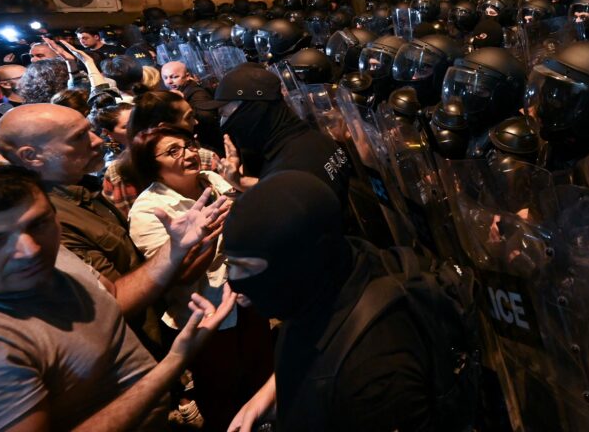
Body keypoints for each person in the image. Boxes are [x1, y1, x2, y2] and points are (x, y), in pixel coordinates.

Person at [0, 163, 235, 431]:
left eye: (38, 223)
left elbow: (112, 297)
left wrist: (175, 249)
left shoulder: (54, 254)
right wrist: (173, 363)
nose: (30, 249)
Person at [225, 171, 431, 432]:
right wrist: (272, 392)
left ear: (302, 262)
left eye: (246, 268)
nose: (233, 281)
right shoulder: (330, 281)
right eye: (231, 266)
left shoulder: (374, 376)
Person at [129, 126, 273, 430]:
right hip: (204, 317)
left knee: (264, 374)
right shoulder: (149, 210)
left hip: (247, 294)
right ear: (151, 163)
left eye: (189, 145)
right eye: (173, 151)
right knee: (224, 395)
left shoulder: (212, 180)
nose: (189, 153)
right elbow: (179, 277)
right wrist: (211, 234)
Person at [206, 63, 352, 205]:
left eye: (224, 113)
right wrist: (239, 181)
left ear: (253, 110)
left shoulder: (290, 163)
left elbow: (286, 189)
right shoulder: (314, 139)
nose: (222, 122)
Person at [161, 60, 222, 152]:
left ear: (187, 76)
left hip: (210, 145)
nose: (169, 81)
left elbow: (206, 117)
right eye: (165, 78)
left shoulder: (196, 93)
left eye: (174, 77)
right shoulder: (181, 92)